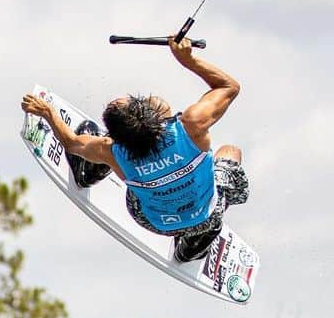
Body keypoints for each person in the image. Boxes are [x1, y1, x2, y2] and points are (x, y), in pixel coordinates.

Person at [20, 37, 248, 262]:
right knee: (230, 152)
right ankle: (193, 244)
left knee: (93, 140)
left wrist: (48, 113)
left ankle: (88, 171)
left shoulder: (111, 151)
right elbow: (230, 87)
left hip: (153, 221)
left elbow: (71, 143)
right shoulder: (192, 126)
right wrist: (187, 60)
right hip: (205, 216)